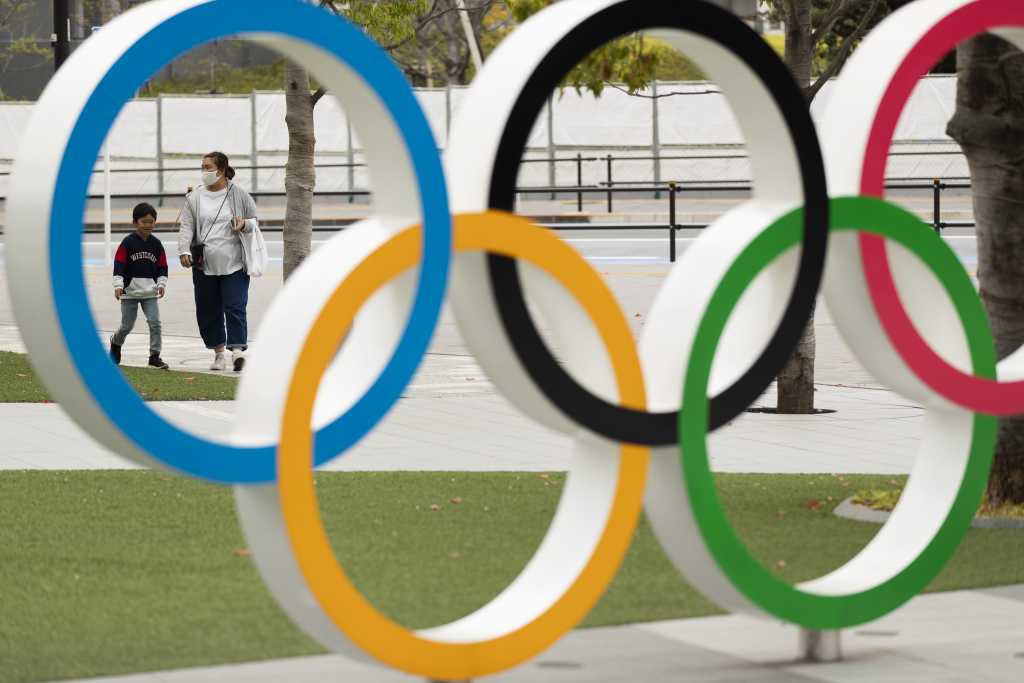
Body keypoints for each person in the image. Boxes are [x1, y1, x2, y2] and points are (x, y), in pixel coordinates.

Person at [177, 151, 258, 372]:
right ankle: (219, 353)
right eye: (202, 167)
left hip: (235, 263)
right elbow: (186, 226)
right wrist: (184, 250)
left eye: (208, 167)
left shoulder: (238, 194)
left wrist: (243, 225)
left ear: (221, 170)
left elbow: (254, 220)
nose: (204, 171)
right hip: (204, 264)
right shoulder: (195, 197)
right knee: (208, 309)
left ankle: (238, 352)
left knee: (235, 305)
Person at [109, 203, 170, 370]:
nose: (148, 225)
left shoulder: (157, 244)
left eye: (151, 222)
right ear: (135, 222)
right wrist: (118, 285)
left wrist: (161, 283)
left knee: (155, 322)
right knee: (127, 326)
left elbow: (162, 266)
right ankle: (115, 342)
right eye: (144, 222)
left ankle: (154, 356)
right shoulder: (127, 243)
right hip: (129, 293)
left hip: (150, 293)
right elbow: (119, 264)